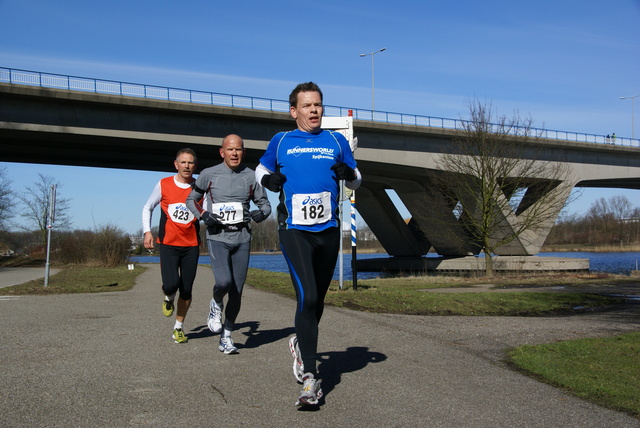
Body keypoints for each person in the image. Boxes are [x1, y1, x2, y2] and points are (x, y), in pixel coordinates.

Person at [255, 82, 362, 406]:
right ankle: (310, 379)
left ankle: (301, 343)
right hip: (294, 230)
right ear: (294, 111)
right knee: (309, 294)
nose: (314, 110)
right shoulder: (282, 141)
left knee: (317, 302)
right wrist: (268, 180)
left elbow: (357, 179)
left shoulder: (336, 140)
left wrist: (349, 172)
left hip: (328, 230)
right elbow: (260, 168)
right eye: (307, 105)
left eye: (318, 104)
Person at [186, 134, 271, 355]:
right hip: (218, 238)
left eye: (239, 149)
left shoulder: (251, 176)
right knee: (223, 282)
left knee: (237, 290)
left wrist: (262, 213)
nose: (234, 153)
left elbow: (265, 204)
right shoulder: (208, 174)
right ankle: (215, 303)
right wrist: (204, 215)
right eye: (230, 149)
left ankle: (227, 335)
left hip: (242, 238)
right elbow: (190, 200)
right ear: (222, 152)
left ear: (243, 152)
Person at [142, 148, 201, 344]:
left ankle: (178, 327)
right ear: (176, 164)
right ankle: (168, 296)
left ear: (195, 165)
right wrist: (147, 231)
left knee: (186, 289)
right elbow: (147, 207)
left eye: (190, 162)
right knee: (171, 284)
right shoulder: (164, 184)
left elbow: (207, 211)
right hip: (168, 243)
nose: (187, 166)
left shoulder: (199, 186)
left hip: (191, 245)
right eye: (183, 162)